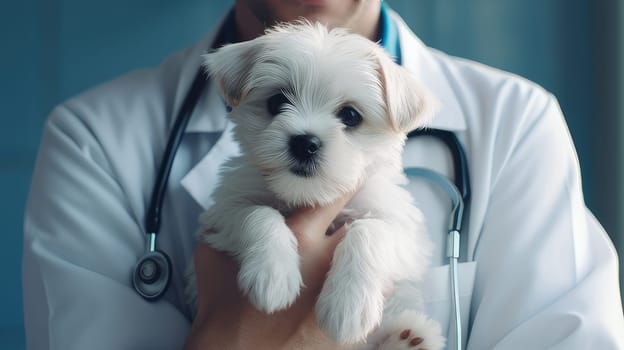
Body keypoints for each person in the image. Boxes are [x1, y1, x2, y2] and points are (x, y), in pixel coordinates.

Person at [22, 0, 624, 349]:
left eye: (349, 115)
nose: (306, 131)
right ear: (237, 90)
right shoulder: (92, 137)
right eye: (279, 102)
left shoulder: (519, 121)